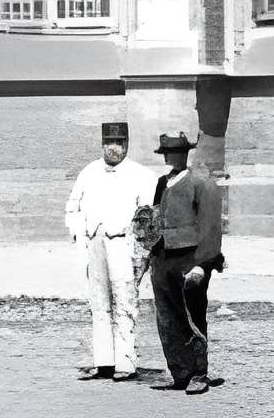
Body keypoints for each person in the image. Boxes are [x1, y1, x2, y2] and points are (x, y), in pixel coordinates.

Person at [63, 119, 161, 380]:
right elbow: (72, 208)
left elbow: (150, 218)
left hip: (124, 245)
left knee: (125, 303)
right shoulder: (89, 172)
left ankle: (125, 363)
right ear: (102, 143)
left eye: (119, 142)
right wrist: (80, 233)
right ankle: (103, 361)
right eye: (109, 142)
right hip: (94, 244)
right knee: (99, 303)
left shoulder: (141, 175)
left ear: (127, 144)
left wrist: (141, 254)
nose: (113, 148)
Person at [145, 128, 225, 393]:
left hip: (190, 259)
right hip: (162, 258)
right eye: (168, 153)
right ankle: (179, 371)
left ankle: (199, 374)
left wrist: (203, 265)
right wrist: (147, 254)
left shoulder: (202, 183)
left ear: (186, 154)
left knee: (193, 314)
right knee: (168, 317)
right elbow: (154, 220)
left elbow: (211, 228)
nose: (172, 158)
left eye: (177, 153)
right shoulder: (161, 183)